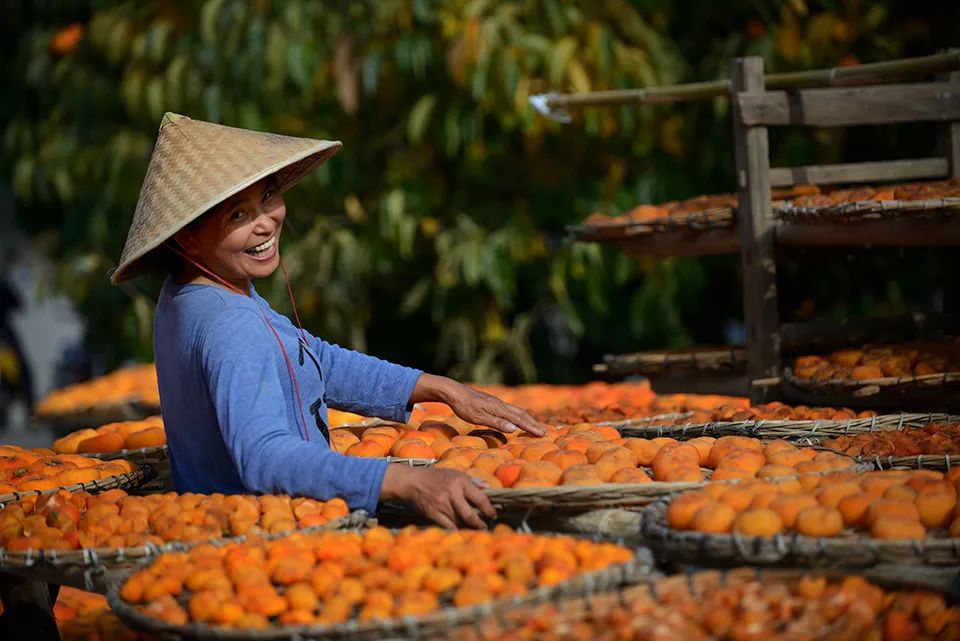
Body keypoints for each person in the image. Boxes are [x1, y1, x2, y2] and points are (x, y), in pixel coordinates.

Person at [111, 113, 544, 529]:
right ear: (187, 236)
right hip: (264, 544)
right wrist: (404, 481)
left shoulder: (192, 291)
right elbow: (265, 458)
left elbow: (311, 357)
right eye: (236, 216)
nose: (266, 223)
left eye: (266, 196)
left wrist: (438, 387)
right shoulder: (230, 323)